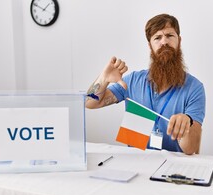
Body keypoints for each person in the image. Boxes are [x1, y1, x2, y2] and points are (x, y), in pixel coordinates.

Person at [86, 13, 205, 155]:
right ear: (150, 45)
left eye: (169, 35)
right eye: (157, 37)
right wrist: (103, 79)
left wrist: (187, 122)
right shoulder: (132, 82)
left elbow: (191, 149)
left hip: (174, 169)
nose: (164, 42)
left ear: (179, 40)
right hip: (137, 163)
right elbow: (89, 103)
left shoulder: (195, 88)